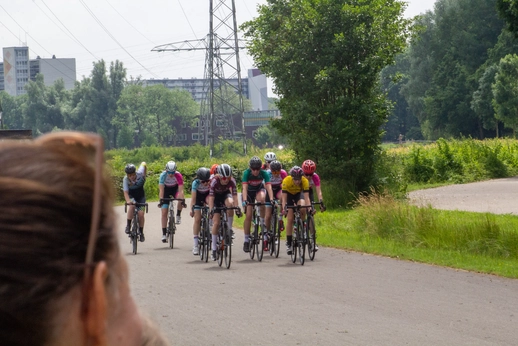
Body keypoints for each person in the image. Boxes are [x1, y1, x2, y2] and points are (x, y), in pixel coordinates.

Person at [0, 131, 151, 346]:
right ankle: (130, 225)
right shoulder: (127, 182)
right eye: (123, 280)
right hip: (132, 200)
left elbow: (144, 168)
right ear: (95, 306)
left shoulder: (140, 175)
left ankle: (140, 228)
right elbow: (127, 195)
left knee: (141, 213)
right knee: (131, 210)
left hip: (142, 198)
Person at [208, 164, 242, 261]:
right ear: (219, 175)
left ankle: (229, 229)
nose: (226, 180)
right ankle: (214, 249)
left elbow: (234, 195)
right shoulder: (214, 181)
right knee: (216, 222)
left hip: (225, 195)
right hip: (215, 198)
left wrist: (236, 207)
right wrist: (211, 209)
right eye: (223, 177)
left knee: (230, 204)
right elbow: (211, 197)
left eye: (228, 177)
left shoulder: (232, 181)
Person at [242, 156, 275, 252]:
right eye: (254, 169)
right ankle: (246, 240)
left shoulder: (264, 173)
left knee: (262, 199)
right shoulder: (246, 173)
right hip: (248, 193)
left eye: (257, 169)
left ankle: (262, 221)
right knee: (248, 216)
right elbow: (244, 188)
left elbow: (269, 187)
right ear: (250, 168)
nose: (256, 171)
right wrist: (244, 200)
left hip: (258, 190)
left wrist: (272, 199)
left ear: (260, 168)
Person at [281, 166, 311, 255]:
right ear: (292, 178)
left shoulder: (305, 181)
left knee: (303, 206)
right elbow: (284, 199)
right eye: (295, 179)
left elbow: (306, 197)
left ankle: (303, 227)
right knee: (290, 219)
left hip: (299, 194)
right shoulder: (286, 181)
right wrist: (284, 208)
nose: (297, 181)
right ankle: (289, 243)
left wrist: (309, 208)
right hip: (289, 195)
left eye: (299, 179)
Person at [158, 161, 186, 243]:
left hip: (175, 189)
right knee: (164, 212)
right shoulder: (163, 175)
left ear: (175, 171)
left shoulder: (178, 175)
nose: (171, 174)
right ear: (166, 170)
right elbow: (161, 190)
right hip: (166, 190)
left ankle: (178, 215)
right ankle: (163, 234)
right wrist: (161, 200)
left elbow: (181, 190)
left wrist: (182, 200)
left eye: (172, 172)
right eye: (169, 172)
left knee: (180, 199)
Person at [189, 167, 211, 255]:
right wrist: (192, 209)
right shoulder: (195, 183)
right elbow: (193, 199)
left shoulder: (211, 182)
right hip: (198, 199)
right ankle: (195, 245)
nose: (205, 183)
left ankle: (210, 227)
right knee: (197, 219)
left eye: (207, 181)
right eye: (203, 181)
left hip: (207, 197)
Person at [124, 161, 148, 242]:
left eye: (133, 174)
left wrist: (145, 172)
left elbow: (144, 163)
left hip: (141, 197)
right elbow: (126, 193)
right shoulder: (125, 180)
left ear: (135, 172)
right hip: (131, 196)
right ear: (127, 175)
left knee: (141, 214)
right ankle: (128, 225)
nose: (132, 177)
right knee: (132, 206)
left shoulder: (140, 173)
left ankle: (141, 232)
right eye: (130, 175)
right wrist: (128, 201)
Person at [268, 160, 288, 232]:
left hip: (278, 189)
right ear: (271, 170)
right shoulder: (268, 173)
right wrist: (272, 198)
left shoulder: (283, 173)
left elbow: (285, 185)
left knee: (283, 195)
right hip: (269, 189)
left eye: (278, 171)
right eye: (274, 172)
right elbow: (266, 186)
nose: (276, 174)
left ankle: (280, 218)